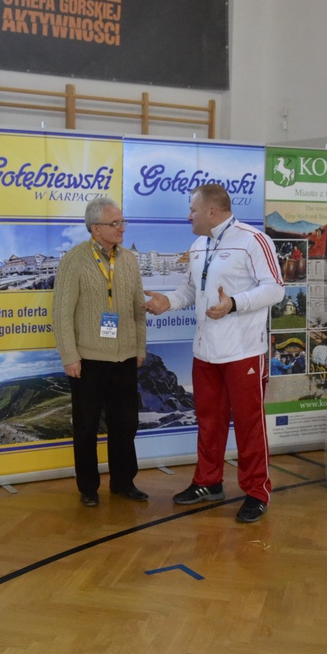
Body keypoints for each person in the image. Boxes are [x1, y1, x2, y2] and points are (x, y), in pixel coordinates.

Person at [144, 183, 284, 523]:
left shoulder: (253, 240)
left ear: (211, 210)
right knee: (209, 421)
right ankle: (208, 482)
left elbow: (275, 289)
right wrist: (168, 301)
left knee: (249, 425)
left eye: (192, 210)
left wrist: (234, 303)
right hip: (205, 352)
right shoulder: (198, 245)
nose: (188, 216)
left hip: (244, 352)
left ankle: (256, 491)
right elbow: (191, 289)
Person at [52, 197, 148, 506]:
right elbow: (61, 313)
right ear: (95, 228)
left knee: (125, 425)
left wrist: (140, 346)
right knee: (86, 427)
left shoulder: (129, 259)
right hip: (88, 360)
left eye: (122, 222)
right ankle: (88, 488)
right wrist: (69, 356)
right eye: (115, 223)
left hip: (125, 357)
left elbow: (138, 308)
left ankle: (123, 482)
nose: (122, 228)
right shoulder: (74, 260)